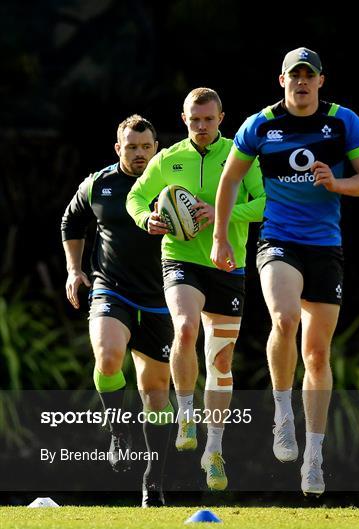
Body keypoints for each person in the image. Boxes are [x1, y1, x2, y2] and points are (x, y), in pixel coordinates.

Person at [210, 47, 359, 496]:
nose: (302, 82)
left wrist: (338, 183)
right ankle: (282, 413)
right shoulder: (260, 124)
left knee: (318, 356)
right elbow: (230, 179)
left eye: (310, 75)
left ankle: (313, 457)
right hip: (278, 241)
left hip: (325, 247)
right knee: (284, 318)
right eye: (294, 75)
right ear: (282, 80)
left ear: (321, 81)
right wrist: (220, 237)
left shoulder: (344, 121)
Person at [127, 88, 265, 491]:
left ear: (222, 117)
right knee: (185, 328)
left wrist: (221, 213)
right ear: (183, 119)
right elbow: (137, 196)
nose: (201, 126)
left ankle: (215, 450)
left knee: (220, 362)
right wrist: (145, 219)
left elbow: (265, 203)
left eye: (208, 119)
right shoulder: (167, 159)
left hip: (228, 265)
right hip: (181, 259)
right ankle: (186, 412)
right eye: (194, 120)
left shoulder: (240, 157)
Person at [61, 114, 174, 507]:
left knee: (155, 392)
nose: (139, 154)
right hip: (111, 290)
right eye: (131, 147)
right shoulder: (99, 184)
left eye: (146, 147)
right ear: (118, 148)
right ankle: (117, 430)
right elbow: (70, 222)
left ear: (156, 147)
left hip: (161, 299)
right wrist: (75, 271)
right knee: (108, 356)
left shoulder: (173, 184)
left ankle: (152, 481)